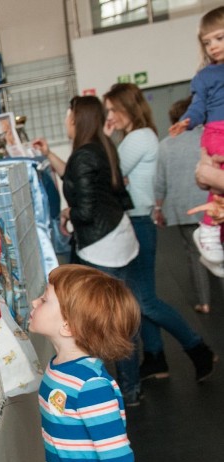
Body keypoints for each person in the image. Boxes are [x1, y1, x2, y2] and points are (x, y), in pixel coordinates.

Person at [30, 264, 150, 462]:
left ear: (69, 327)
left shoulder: (91, 387)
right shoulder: (59, 367)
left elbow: (117, 458)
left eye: (44, 299)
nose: (34, 302)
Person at [103, 83, 216, 385]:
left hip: (139, 222)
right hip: (137, 220)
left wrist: (107, 138)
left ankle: (197, 347)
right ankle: (155, 357)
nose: (110, 115)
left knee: (145, 300)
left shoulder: (138, 137)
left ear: (127, 106)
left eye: (113, 108)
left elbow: (111, 175)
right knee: (141, 299)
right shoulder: (136, 137)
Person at [32, 96, 141, 404]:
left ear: (77, 121)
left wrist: (66, 216)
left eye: (68, 116)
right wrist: (48, 153)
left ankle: (118, 389)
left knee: (107, 321)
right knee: (121, 313)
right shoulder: (99, 147)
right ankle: (131, 385)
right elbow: (78, 180)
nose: (66, 121)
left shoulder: (84, 154)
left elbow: (86, 208)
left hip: (101, 243)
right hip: (117, 234)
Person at [168, 7, 224, 267]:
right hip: (216, 132)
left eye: (219, 39)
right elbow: (198, 105)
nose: (213, 46)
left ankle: (211, 228)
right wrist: (187, 121)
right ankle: (211, 228)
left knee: (216, 183)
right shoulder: (205, 76)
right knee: (214, 183)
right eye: (207, 42)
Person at [157, 97, 224, 310]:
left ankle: (204, 302)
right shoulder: (207, 138)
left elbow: (160, 181)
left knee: (193, 254)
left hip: (183, 207)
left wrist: (158, 207)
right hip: (211, 203)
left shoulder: (165, 145)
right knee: (218, 249)